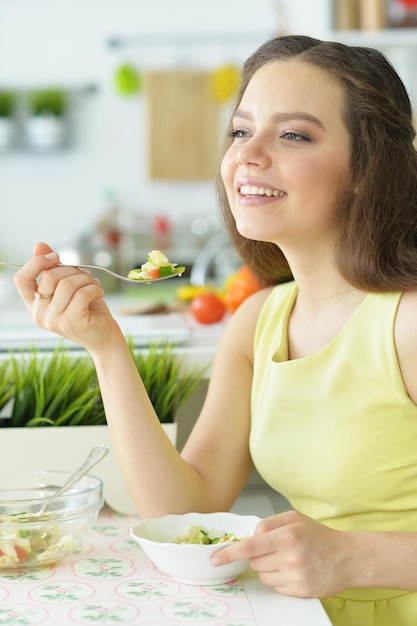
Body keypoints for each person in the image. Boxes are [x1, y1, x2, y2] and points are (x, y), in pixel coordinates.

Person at [13, 34, 417, 626]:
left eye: (293, 134)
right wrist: (106, 346)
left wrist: (355, 557)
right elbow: (184, 507)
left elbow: (345, 556)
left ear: (366, 169)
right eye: (240, 130)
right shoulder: (260, 321)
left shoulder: (406, 323)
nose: (247, 155)